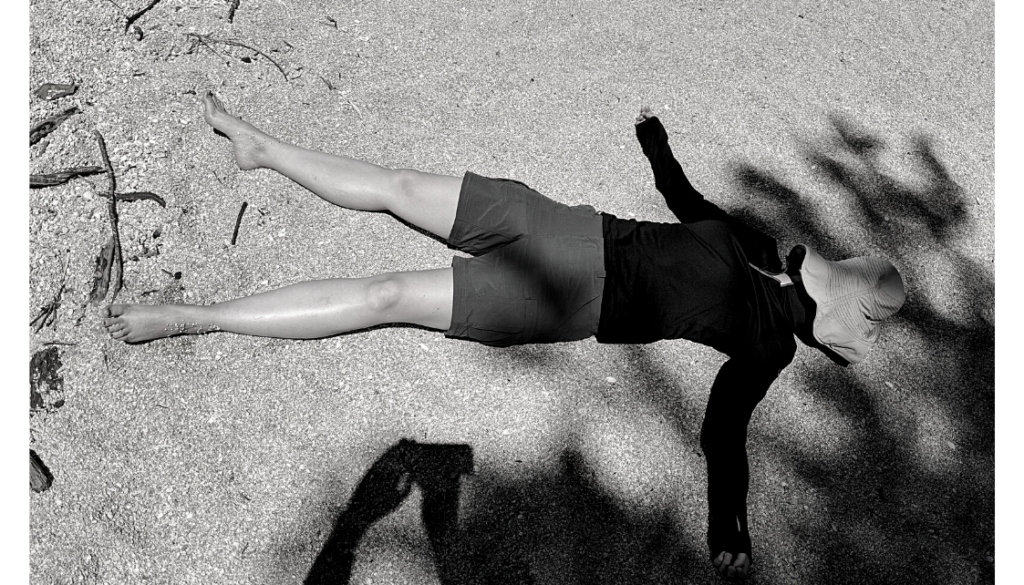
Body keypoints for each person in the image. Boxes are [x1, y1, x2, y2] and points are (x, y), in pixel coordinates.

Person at [102, 93, 906, 580]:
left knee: (385, 294)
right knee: (399, 186)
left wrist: (730, 527)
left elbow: (724, 430)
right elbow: (683, 195)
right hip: (564, 223)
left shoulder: (770, 348)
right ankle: (262, 148)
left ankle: (193, 318)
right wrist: (654, 136)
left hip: (562, 298)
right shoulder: (766, 248)